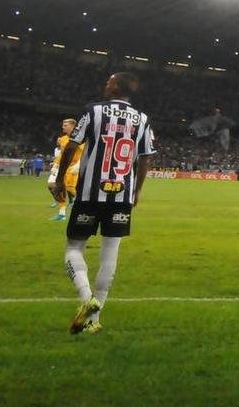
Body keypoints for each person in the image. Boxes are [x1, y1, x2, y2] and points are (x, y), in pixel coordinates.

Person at [57, 72, 157, 335]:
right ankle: (94, 319)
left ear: (115, 87)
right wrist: (137, 190)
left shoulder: (93, 110)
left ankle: (86, 297)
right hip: (122, 195)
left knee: (73, 248)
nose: (105, 84)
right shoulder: (142, 118)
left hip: (90, 193)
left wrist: (59, 179)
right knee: (110, 254)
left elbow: (72, 146)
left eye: (109, 82)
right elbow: (145, 158)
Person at [47, 118, 84, 221]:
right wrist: (55, 165)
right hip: (64, 167)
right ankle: (62, 213)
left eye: (65, 125)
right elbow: (62, 154)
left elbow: (85, 153)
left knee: (70, 188)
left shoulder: (80, 138)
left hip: (74, 167)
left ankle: (87, 204)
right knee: (55, 186)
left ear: (73, 126)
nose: (63, 127)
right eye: (63, 125)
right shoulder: (63, 139)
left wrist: (79, 165)